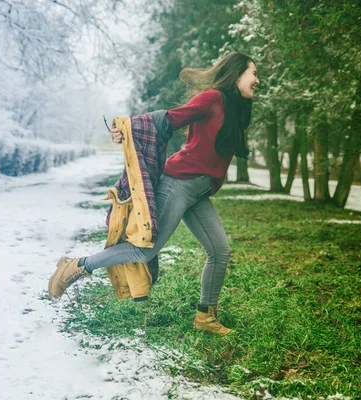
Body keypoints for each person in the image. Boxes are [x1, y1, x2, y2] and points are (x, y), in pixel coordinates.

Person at [48, 52, 259, 335]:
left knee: (220, 251)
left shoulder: (233, 109)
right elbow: (170, 118)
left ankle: (205, 318)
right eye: (253, 73)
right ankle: (74, 266)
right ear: (236, 74)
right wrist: (128, 128)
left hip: (199, 190)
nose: (257, 79)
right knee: (144, 249)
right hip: (179, 183)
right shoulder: (212, 99)